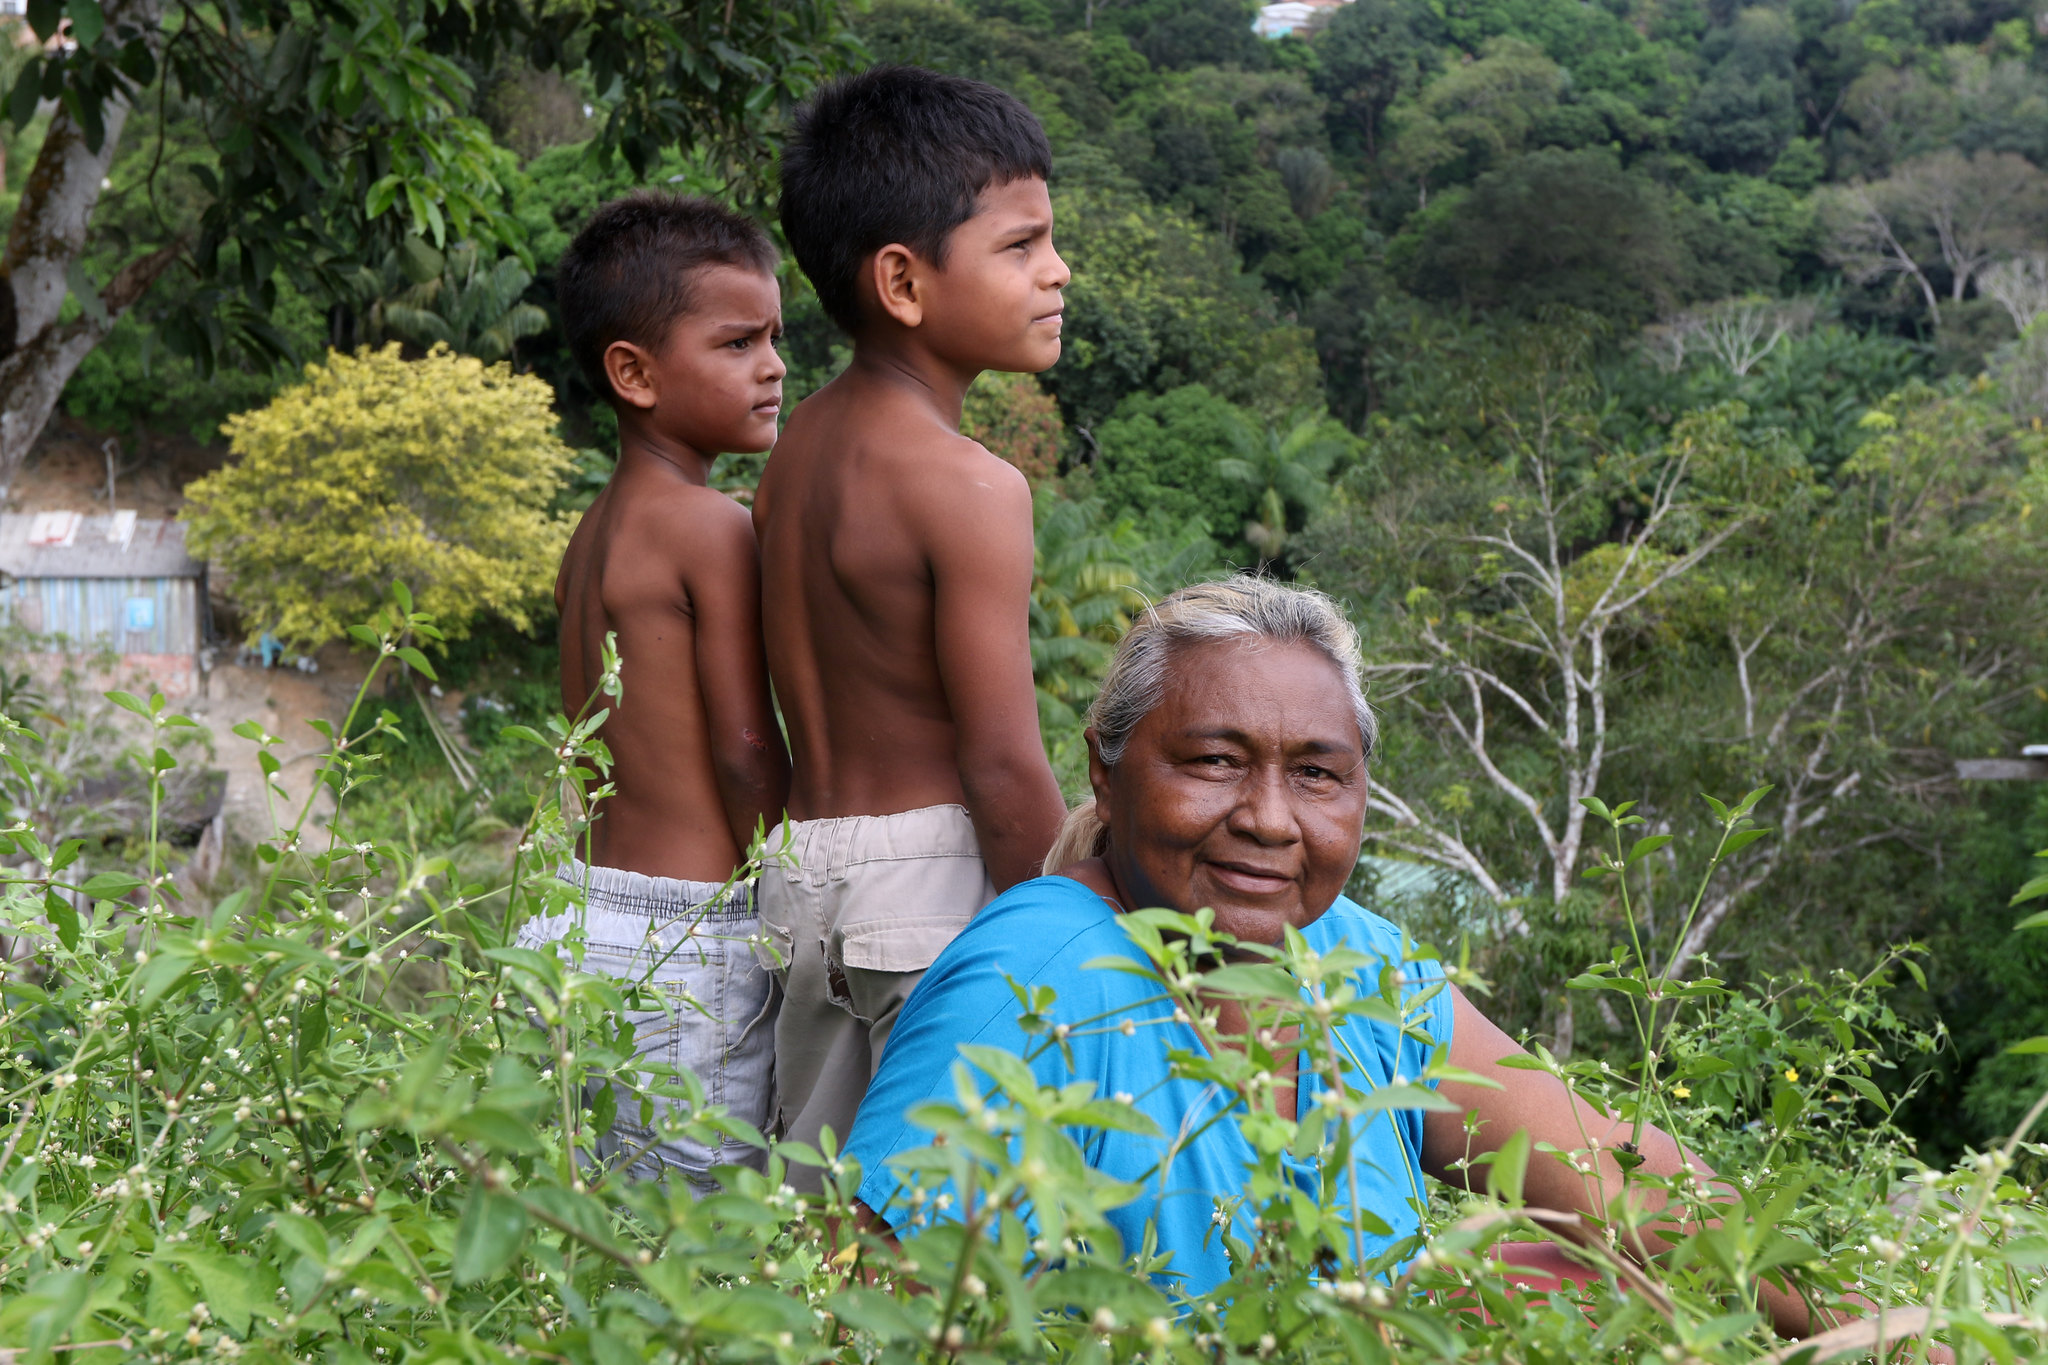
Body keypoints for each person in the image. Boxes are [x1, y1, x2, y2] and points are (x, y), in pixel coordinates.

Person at [840, 576, 1835, 1339]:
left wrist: (1862, 1327)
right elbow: (877, 1315)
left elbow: (1612, 1175)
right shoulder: (1031, 976)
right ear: (1106, 772)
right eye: (1213, 761)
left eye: (1315, 775)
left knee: (1601, 1281)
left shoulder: (1353, 964)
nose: (1268, 821)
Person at [754, 64, 1071, 1181]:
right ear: (902, 281)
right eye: (1019, 245)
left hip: (799, 882)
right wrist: (1076, 945)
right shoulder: (968, 485)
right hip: (928, 889)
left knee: (817, 1223)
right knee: (954, 1238)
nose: (1055, 270)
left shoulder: (794, 455)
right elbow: (998, 763)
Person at [522, 192, 792, 1190]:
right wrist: (789, 883)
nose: (771, 366)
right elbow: (740, 747)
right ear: (633, 374)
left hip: (574, 918)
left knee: (600, 1235)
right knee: (698, 1242)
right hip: (687, 937)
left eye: (774, 337)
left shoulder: (590, 535)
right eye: (735, 343)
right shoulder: (710, 525)